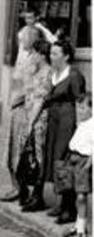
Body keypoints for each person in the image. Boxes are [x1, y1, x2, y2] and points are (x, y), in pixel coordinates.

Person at [1, 30, 51, 207]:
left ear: (42, 55)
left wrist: (30, 122)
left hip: (37, 119)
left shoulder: (46, 73)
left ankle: (36, 196)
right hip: (26, 113)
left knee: (35, 157)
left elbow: (39, 100)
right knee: (19, 154)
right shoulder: (35, 69)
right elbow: (24, 88)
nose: (31, 55)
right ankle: (21, 189)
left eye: (34, 53)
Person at [40, 40, 86, 224]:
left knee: (64, 161)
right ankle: (61, 203)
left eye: (56, 54)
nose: (52, 57)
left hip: (67, 122)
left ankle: (70, 208)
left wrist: (81, 130)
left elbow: (81, 104)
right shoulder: (54, 73)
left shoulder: (74, 75)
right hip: (54, 121)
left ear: (66, 56)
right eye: (51, 53)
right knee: (54, 159)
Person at [62, 98, 92, 237]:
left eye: (83, 108)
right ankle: (78, 225)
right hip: (72, 158)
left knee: (81, 196)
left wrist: (89, 163)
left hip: (83, 160)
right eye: (78, 107)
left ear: (91, 109)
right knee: (74, 194)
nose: (80, 111)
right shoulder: (81, 124)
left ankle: (82, 231)